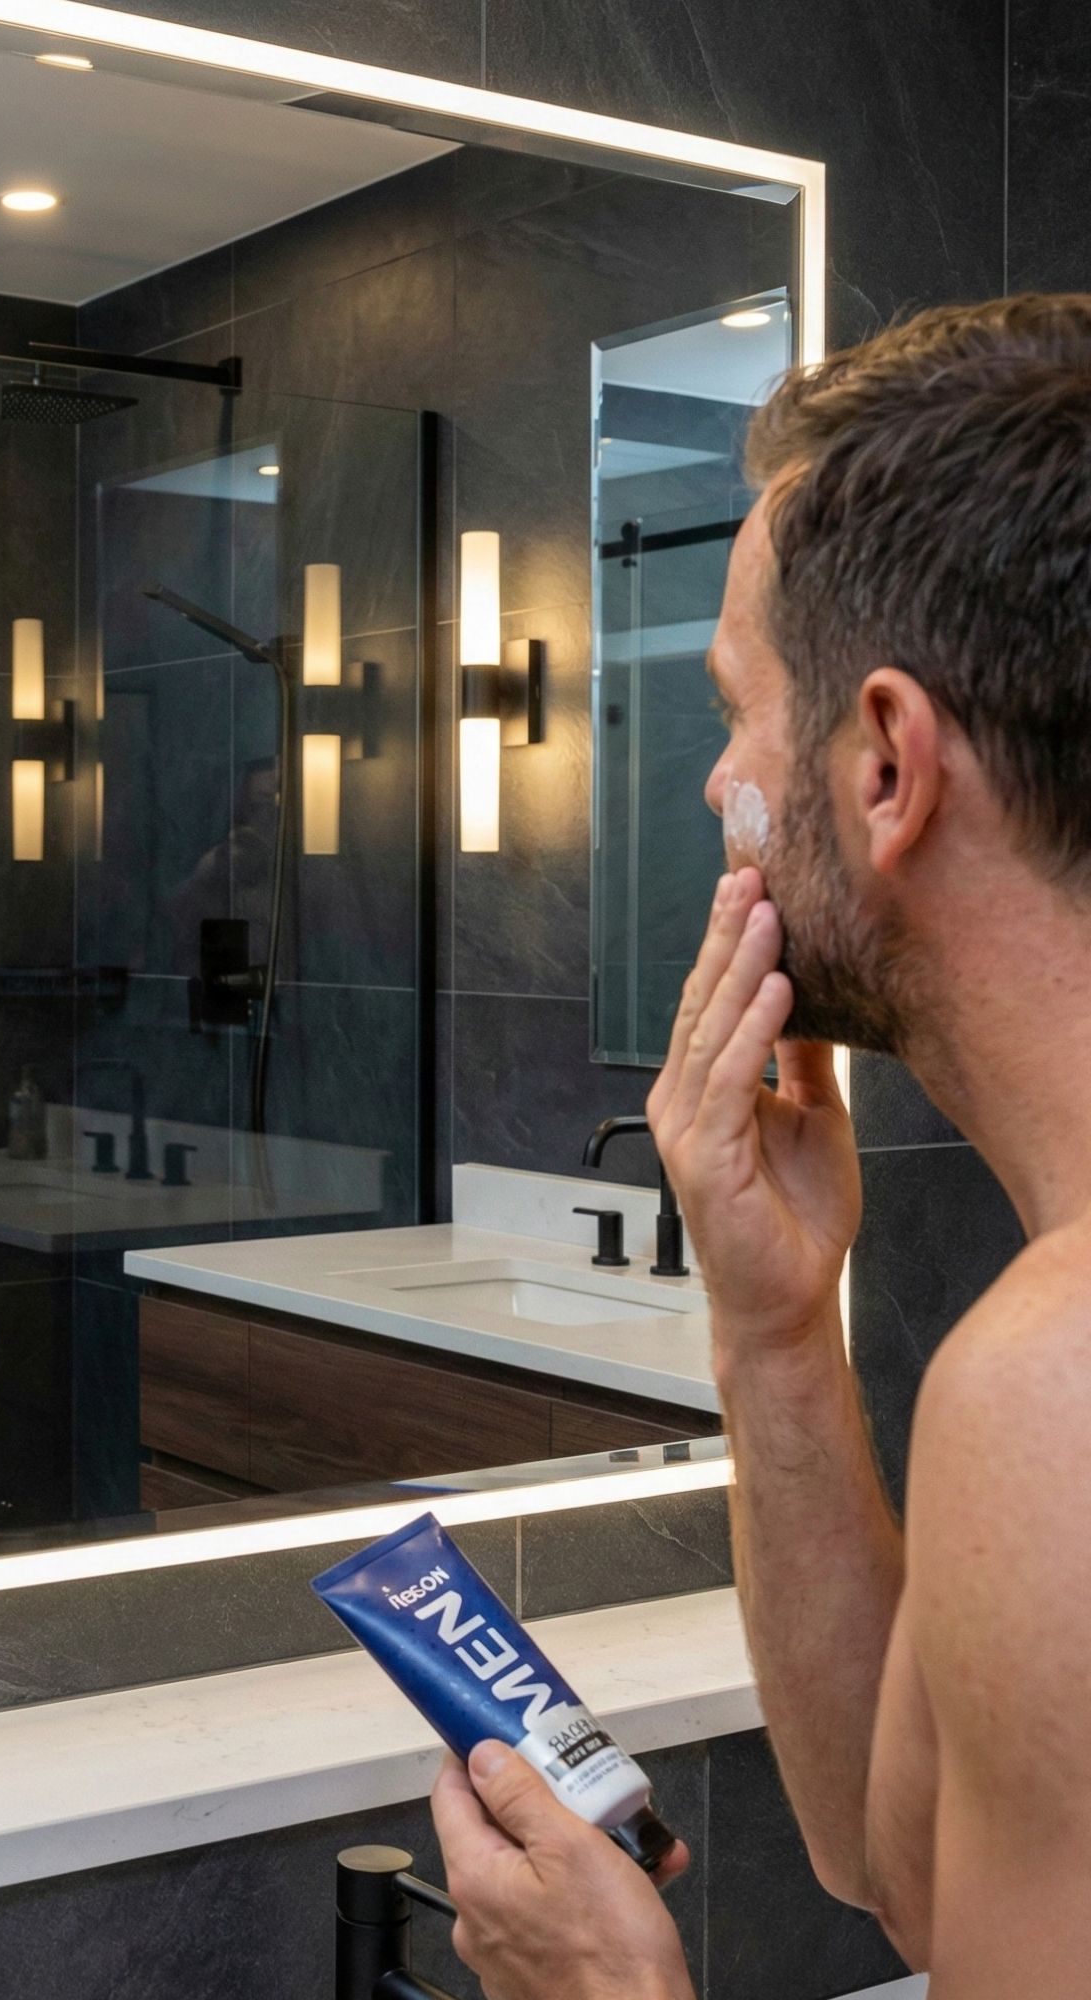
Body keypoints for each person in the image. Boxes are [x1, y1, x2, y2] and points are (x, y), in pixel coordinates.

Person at [430, 293, 1091, 1998]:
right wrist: (775, 1330)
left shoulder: (1059, 1387)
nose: (718, 780)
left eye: (740, 711)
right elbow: (917, 1882)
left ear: (883, 762)